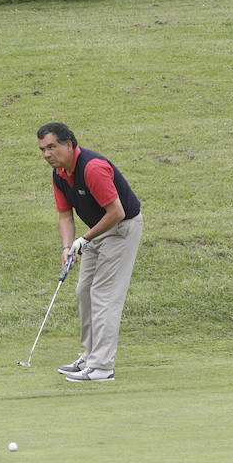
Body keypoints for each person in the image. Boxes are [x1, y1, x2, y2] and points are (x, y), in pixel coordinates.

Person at [37, 122, 143, 382]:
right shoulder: (59, 174)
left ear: (69, 144)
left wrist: (84, 239)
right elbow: (65, 216)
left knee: (104, 295)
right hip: (98, 230)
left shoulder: (92, 168)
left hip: (121, 228)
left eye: (52, 147)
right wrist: (67, 246)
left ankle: (102, 367)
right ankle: (90, 355)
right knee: (84, 291)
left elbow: (116, 213)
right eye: (42, 149)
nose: (47, 154)